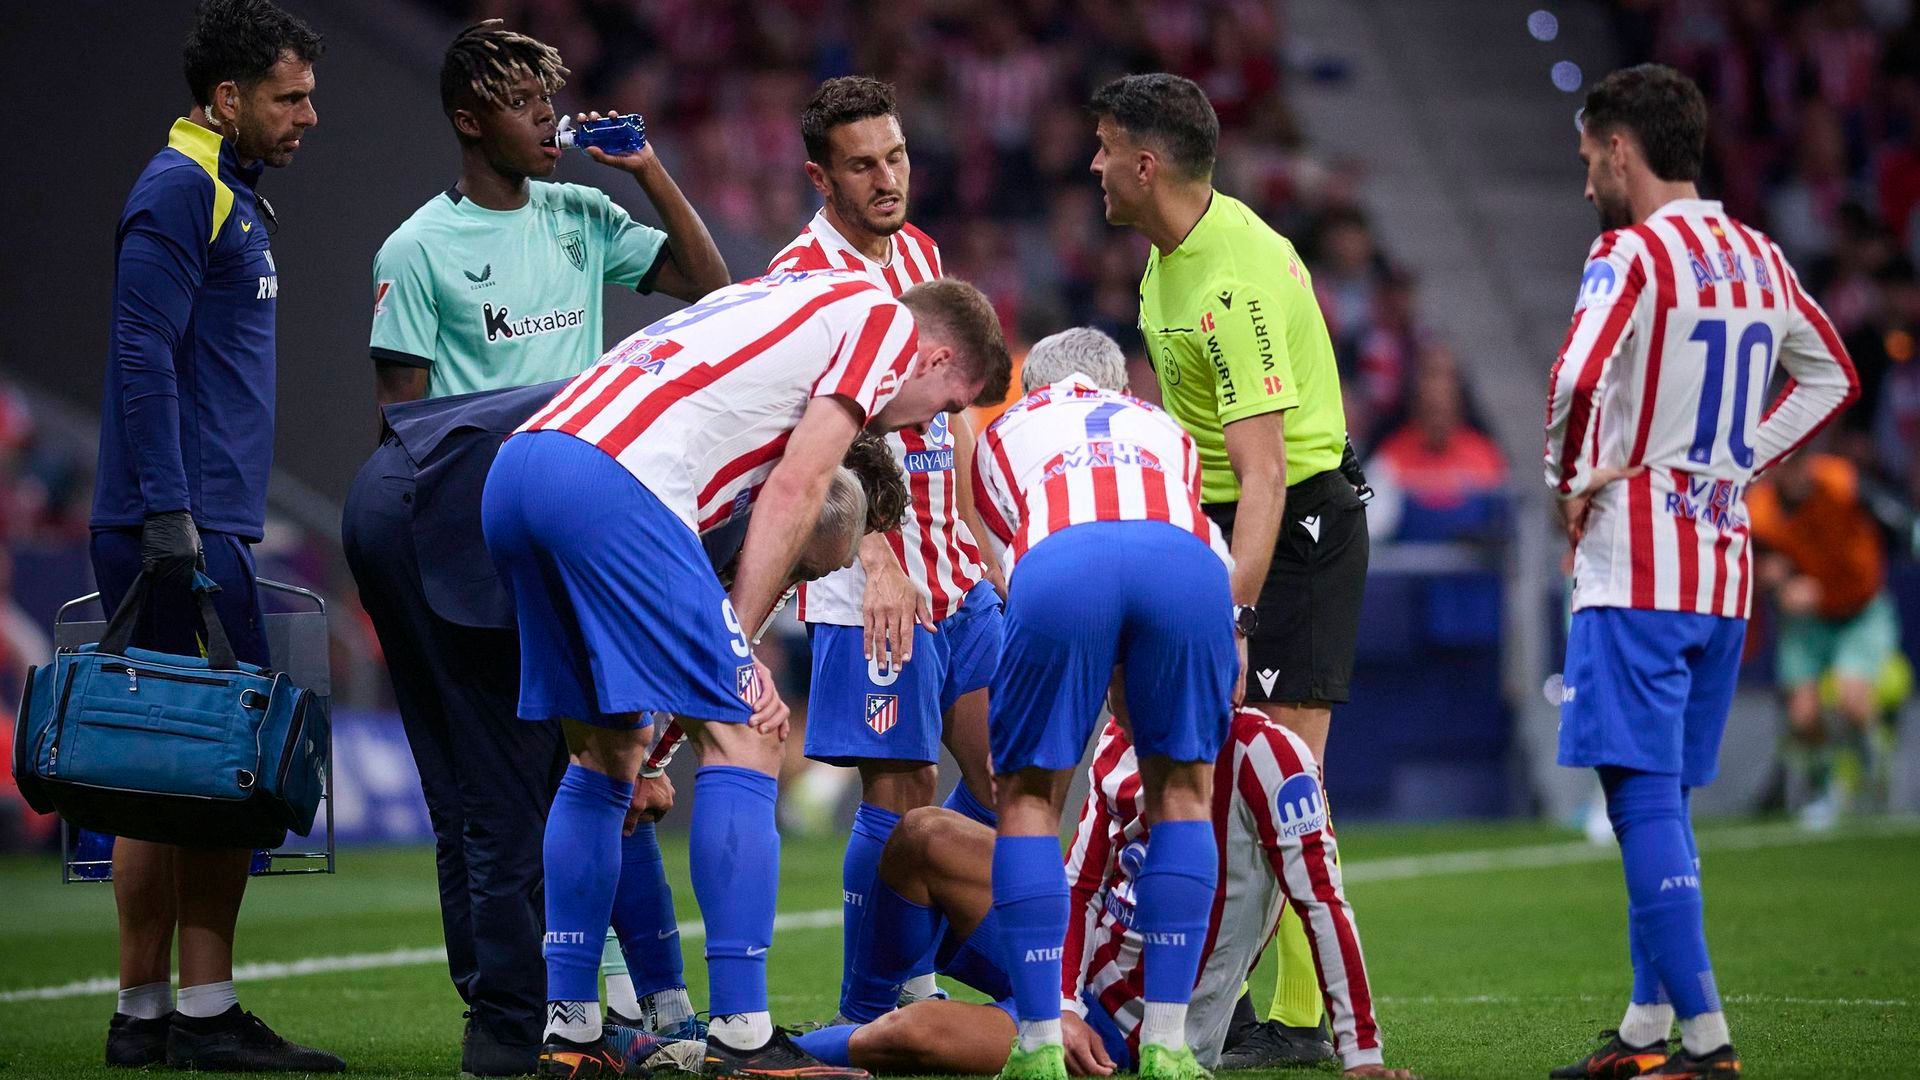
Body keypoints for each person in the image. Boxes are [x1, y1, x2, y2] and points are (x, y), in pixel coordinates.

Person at [481, 271, 1009, 1078]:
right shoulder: (884, 324)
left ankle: (572, 1035)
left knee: (604, 754)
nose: (923, 424)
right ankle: (742, 1038)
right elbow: (799, 486)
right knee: (749, 736)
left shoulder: (793, 296)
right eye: (944, 405)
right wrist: (738, 656)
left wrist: (680, 721)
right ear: (934, 359)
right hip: (615, 475)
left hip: (524, 465)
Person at [352, 20, 727, 1074]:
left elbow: (710, 286)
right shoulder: (416, 250)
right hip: (463, 530)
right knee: (489, 791)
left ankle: (563, 1010)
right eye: (523, 104)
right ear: (470, 120)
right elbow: (402, 427)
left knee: (582, 770)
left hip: (564, 523)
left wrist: (649, 172)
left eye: (547, 99)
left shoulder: (581, 217)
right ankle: (512, 1018)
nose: (548, 121)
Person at [1544, 65, 1856, 1080]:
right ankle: (1646, 1028)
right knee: (1666, 801)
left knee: (1639, 801)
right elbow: (1833, 375)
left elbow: (1576, 378)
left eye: (1590, 159)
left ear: (1621, 149)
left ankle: (1709, 1044)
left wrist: (1566, 485)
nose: (1586, 182)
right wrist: (1738, 462)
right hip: (1721, 571)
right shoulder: (1760, 255)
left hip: (1635, 566)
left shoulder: (1629, 253)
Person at [1089, 72, 1363, 1064]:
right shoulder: (1167, 258)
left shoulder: (1229, 283)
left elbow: (1266, 473)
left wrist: (1231, 620)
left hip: (1294, 530)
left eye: (1104, 147)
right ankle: (1224, 996)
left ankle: (1303, 1020)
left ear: (1145, 164)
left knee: (1282, 782)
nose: (1092, 164)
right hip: (1218, 522)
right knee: (1194, 772)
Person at [87, 1, 339, 1071]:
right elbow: (140, 351)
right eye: (290, 97)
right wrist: (172, 516)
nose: (309, 116)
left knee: (158, 775)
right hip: (180, 529)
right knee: (222, 767)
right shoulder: (180, 189)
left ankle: (144, 1018)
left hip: (185, 518)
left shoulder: (222, 188)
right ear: (227, 98)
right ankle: (205, 1015)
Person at [788, 706, 1415, 1080]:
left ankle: (777, 1054)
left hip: (1132, 1027)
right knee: (924, 835)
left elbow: (1322, 903)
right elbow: (1078, 883)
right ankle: (858, 1012)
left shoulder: (1270, 757)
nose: (1109, 683)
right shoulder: (1119, 735)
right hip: (1076, 966)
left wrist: (1362, 1052)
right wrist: (1059, 1004)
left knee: (913, 1034)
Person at [767, 74, 1005, 1023]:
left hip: (955, 569)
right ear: (820, 178)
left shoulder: (919, 253)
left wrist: (985, 537)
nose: (887, 178)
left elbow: (952, 414)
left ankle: (922, 948)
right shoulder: (800, 284)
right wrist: (875, 557)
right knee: (903, 793)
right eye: (862, 165)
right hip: (870, 580)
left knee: (1012, 775)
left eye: (896, 156)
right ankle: (876, 1006)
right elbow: (812, 443)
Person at [965, 329, 1232, 1080]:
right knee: (1184, 794)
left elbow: (1014, 565)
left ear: (1033, 386)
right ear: (1120, 388)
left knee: (1028, 798)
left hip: (1062, 560)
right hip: (1185, 566)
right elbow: (1187, 522)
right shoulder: (1165, 428)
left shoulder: (1000, 431)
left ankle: (1040, 1042)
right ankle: (1169, 1044)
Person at [1747, 449, 1900, 828]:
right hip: (1810, 619)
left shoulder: (1839, 481)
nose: (1798, 473)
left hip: (1860, 609)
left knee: (1852, 700)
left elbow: (1893, 515)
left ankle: (1870, 766)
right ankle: (1825, 788)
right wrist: (1780, 584)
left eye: (1802, 463)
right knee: (1802, 716)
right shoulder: (1759, 509)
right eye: (1788, 465)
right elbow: (1755, 565)